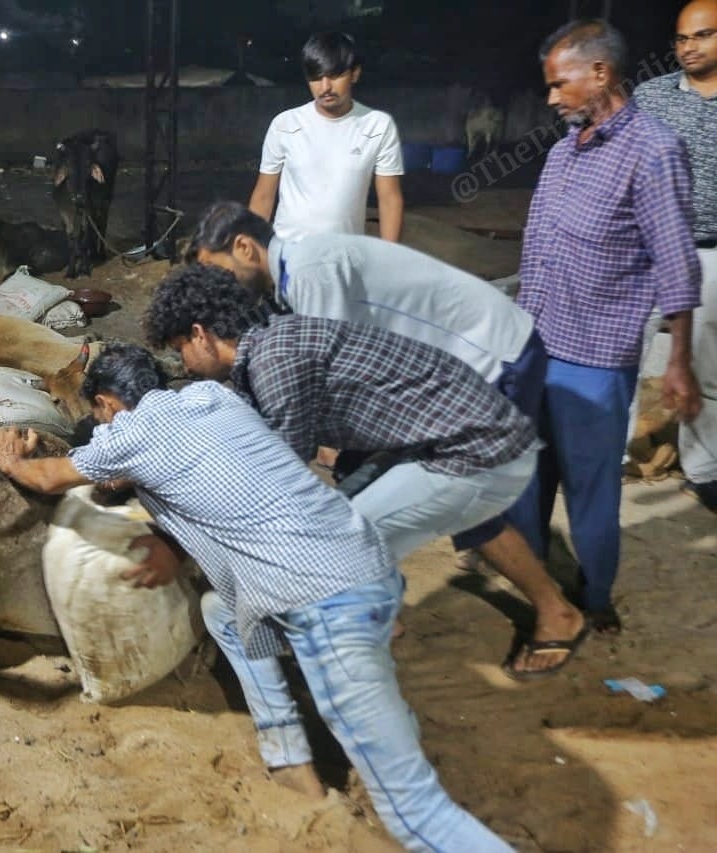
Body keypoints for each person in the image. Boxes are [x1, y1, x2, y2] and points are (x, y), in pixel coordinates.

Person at [0, 343, 510, 852]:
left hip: (323, 599)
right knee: (222, 613)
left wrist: (10, 460)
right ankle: (290, 760)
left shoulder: (131, 431)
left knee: (416, 812)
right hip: (369, 564)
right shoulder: (216, 397)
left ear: (107, 404)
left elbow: (47, 478)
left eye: (103, 415)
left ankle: (390, 766)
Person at [185, 200, 586, 674]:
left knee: (465, 492)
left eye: (221, 272)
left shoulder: (314, 273)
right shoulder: (291, 280)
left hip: (490, 354)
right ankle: (379, 607)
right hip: (450, 363)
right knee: (375, 482)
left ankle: (555, 610)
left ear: (245, 247)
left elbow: (323, 378)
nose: (222, 289)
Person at [515, 19, 703, 633]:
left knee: (591, 485)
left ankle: (595, 596)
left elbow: (675, 261)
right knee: (528, 473)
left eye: (558, 83)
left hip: (595, 355)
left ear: (600, 73)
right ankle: (536, 582)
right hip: (535, 343)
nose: (551, 97)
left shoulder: (653, 150)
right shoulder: (564, 151)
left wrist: (678, 360)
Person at [633, 0, 717, 512]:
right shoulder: (652, 95)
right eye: (682, 39)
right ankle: (609, 453)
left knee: (706, 368)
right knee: (622, 353)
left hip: (711, 254)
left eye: (702, 36)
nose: (688, 47)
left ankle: (703, 470)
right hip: (646, 251)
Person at [248, 31, 404, 243]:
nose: (325, 87)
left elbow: (389, 200)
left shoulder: (377, 125)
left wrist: (388, 258)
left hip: (346, 258)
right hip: (290, 256)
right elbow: (264, 197)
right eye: (316, 78)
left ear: (355, 73)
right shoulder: (285, 125)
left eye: (335, 75)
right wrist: (253, 258)